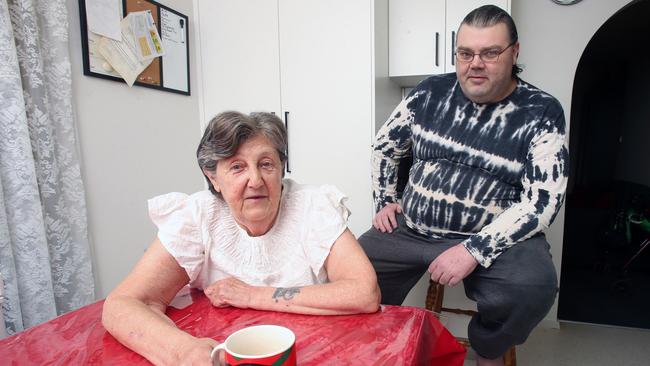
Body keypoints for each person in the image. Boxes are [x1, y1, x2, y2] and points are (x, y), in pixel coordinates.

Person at [359, 5, 568, 366]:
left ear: (514, 52)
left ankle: (488, 348)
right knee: (351, 270)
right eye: (465, 53)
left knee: (533, 287)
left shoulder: (542, 110)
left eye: (490, 53)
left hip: (493, 238)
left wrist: (474, 250)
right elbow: (384, 147)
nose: (475, 64)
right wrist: (384, 199)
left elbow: (541, 202)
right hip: (413, 229)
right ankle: (386, 343)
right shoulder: (428, 93)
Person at [102, 111, 380, 366]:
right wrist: (183, 351)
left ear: (281, 169)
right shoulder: (198, 215)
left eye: (266, 164)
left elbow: (363, 292)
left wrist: (251, 295)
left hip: (310, 351)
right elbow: (123, 304)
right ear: (213, 178)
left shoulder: (311, 206)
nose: (256, 180)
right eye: (237, 167)